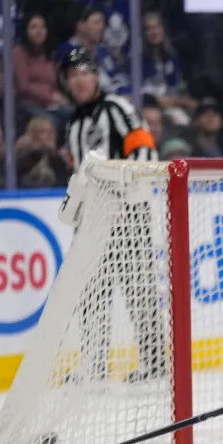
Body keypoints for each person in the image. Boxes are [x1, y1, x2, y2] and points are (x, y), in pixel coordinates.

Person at [57, 47, 164, 384]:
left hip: (127, 214)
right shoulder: (74, 122)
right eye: (72, 75)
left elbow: (144, 149)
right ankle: (95, 366)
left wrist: (124, 196)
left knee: (139, 289)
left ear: (96, 76)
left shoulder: (117, 107)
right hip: (92, 220)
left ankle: (155, 362)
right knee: (91, 294)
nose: (79, 80)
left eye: (85, 73)